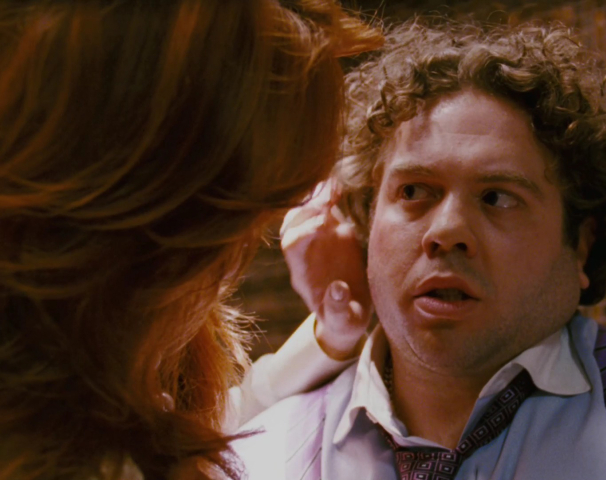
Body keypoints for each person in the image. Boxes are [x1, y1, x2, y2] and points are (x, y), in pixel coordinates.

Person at [234, 21, 606, 479]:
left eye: (497, 197)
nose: (447, 231)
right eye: (414, 192)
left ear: (581, 245)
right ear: (365, 224)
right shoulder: (269, 448)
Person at [0, 1, 380, 479]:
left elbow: (207, 429)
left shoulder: (104, 359)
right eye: (245, 222)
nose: (234, 265)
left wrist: (330, 337)